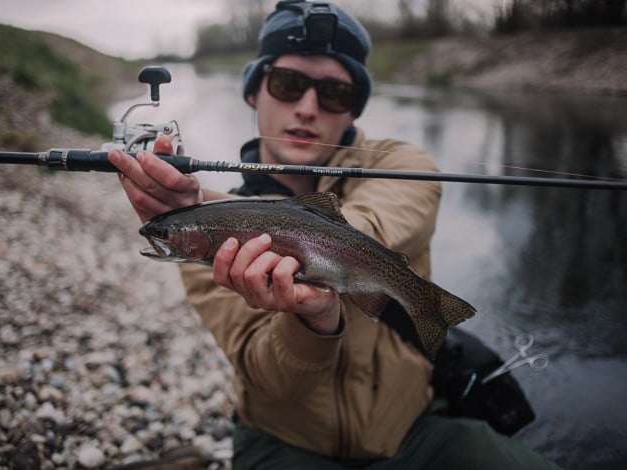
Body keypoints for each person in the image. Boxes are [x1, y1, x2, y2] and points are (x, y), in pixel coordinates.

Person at [109, 1, 560, 468]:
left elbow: (376, 223)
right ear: (253, 92)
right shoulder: (204, 233)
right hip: (284, 440)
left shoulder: (403, 165)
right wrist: (314, 321)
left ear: (353, 109)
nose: (306, 108)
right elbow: (269, 379)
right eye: (287, 84)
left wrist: (309, 248)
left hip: (414, 429)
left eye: (333, 93)